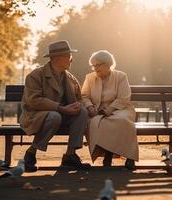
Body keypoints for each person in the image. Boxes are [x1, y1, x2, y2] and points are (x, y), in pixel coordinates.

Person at [19, 40, 91, 172]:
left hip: (63, 115)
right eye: (69, 56)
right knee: (54, 116)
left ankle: (70, 155)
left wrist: (77, 105)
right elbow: (34, 100)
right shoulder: (36, 75)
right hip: (36, 116)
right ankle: (31, 153)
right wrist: (61, 108)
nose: (71, 60)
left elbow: (80, 98)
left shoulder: (70, 78)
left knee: (82, 112)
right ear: (58, 59)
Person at [81, 50, 138, 170]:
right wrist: (89, 106)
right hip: (97, 110)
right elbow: (84, 96)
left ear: (108, 64)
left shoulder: (121, 76)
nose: (95, 68)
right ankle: (108, 154)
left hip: (120, 108)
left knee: (123, 121)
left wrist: (110, 109)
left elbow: (124, 97)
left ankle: (130, 157)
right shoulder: (89, 78)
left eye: (98, 65)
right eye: (93, 65)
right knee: (97, 122)